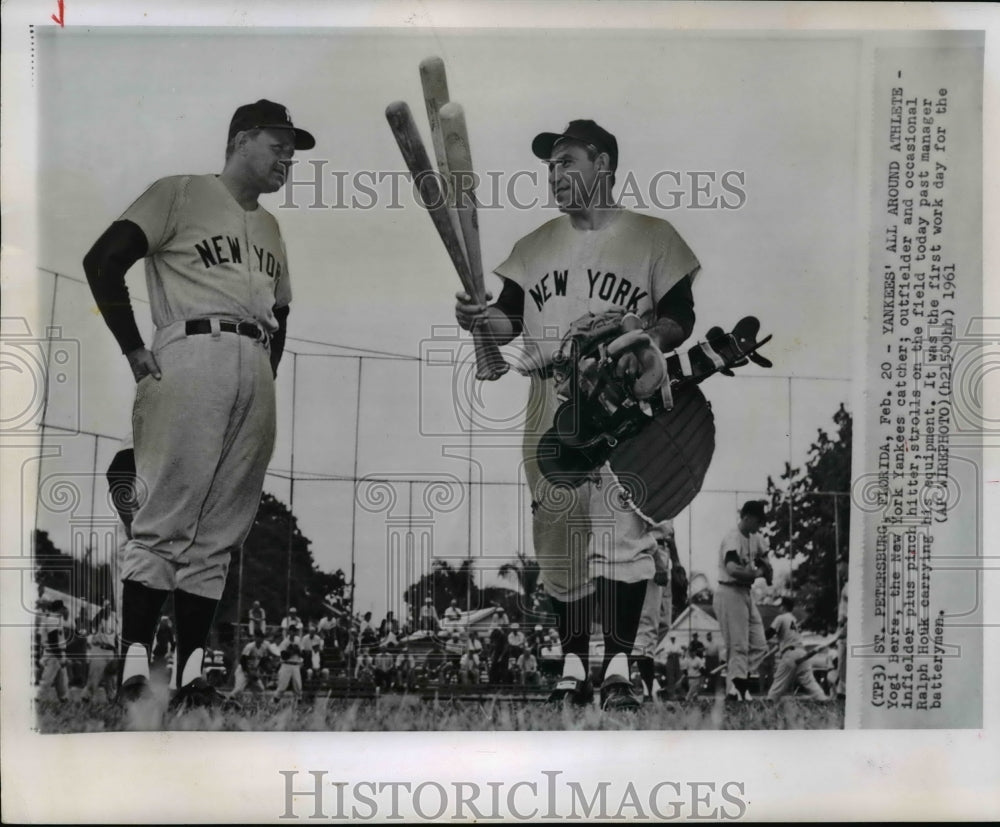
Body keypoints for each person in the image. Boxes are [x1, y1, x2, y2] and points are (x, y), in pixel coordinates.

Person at [455, 120, 699, 711]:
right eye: (550, 165)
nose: (555, 174)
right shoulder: (536, 245)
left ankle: (616, 663)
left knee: (622, 526)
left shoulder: (652, 236)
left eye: (567, 161)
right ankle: (570, 662)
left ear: (604, 163)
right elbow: (506, 322)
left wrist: (641, 336)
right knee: (558, 533)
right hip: (548, 390)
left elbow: (680, 319)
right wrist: (476, 317)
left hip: (620, 390)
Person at [83, 99, 314, 711]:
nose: (288, 158)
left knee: (220, 531)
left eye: (293, 150)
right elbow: (103, 261)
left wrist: (266, 371)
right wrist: (133, 348)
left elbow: (282, 313)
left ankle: (190, 676)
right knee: (167, 515)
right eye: (279, 144)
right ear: (242, 140)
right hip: (189, 347)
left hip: (253, 365)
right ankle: (134, 663)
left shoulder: (270, 228)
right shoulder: (179, 193)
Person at [714, 500, 772, 701]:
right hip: (729, 591)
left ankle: (734, 686)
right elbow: (732, 570)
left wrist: (761, 570)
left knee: (760, 645)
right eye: (758, 520)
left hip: (746, 593)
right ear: (746, 517)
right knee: (738, 646)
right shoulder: (733, 537)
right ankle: (738, 691)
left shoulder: (756, 538)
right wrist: (757, 573)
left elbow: (768, 568)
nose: (760, 524)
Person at [632, 523, 674, 699]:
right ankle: (649, 686)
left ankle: (629, 665)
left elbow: (671, 534)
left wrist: (677, 563)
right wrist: (657, 562)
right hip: (650, 552)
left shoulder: (672, 497)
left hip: (665, 551)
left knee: (664, 623)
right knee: (648, 623)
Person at [766, 596, 828, 701]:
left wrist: (758, 639)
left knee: (779, 681)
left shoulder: (781, 618)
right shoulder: (793, 619)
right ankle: (823, 699)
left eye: (780, 606)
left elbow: (769, 634)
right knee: (809, 681)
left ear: (783, 607)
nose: (778, 608)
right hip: (801, 652)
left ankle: (770, 701)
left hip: (790, 653)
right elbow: (782, 640)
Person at [37, 601, 70, 703]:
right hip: (53, 654)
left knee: (63, 680)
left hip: (55, 652)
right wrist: (60, 657)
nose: (64, 610)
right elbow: (53, 642)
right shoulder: (52, 620)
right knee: (47, 680)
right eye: (63, 608)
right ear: (59, 609)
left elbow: (40, 636)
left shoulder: (53, 619)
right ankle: (37, 699)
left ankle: (64, 699)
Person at [233, 628, 275, 695]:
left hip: (253, 671)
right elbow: (242, 660)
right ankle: (227, 701)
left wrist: (264, 669)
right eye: (258, 637)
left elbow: (261, 661)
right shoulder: (250, 646)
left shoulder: (263, 647)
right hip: (243, 671)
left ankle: (254, 704)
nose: (260, 639)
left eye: (262, 637)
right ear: (255, 637)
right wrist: (249, 672)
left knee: (260, 689)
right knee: (239, 689)